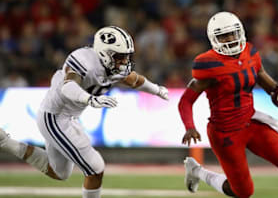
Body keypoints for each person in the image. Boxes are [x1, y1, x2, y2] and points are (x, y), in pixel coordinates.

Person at [0, 26, 168, 198]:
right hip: (55, 117)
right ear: (104, 53)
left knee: (59, 173)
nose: (124, 62)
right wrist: (90, 99)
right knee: (95, 168)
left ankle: (4, 142)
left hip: (68, 117)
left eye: (126, 57)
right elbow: (68, 86)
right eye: (120, 57)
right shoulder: (84, 60)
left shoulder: (112, 66)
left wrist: (157, 90)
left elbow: (133, 79)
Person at [178, 11, 278, 198]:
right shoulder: (207, 64)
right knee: (243, 192)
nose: (230, 39)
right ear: (214, 39)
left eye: (233, 33)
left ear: (241, 32)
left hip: (251, 123)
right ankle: (197, 171)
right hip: (225, 133)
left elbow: (270, 85)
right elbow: (186, 100)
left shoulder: (250, 53)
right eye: (223, 35)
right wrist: (189, 127)